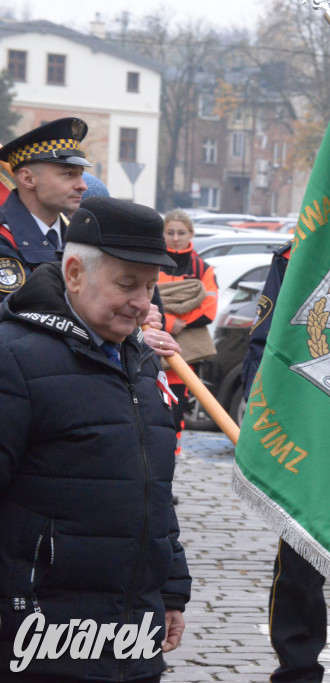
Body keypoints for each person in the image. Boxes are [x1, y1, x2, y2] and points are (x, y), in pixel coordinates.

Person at [0, 195, 191, 679]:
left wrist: (170, 589)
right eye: (127, 284)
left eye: (150, 287)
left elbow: (154, 490)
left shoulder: (143, 364)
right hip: (39, 637)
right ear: (75, 273)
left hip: (132, 637)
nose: (143, 303)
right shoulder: (14, 358)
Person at [239, 241, 330, 683]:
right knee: (299, 564)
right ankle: (297, 669)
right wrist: (260, 409)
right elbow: (264, 342)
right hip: (307, 424)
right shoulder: (297, 255)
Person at [0, 117, 90, 302]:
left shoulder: (82, 237)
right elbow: (23, 310)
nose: (82, 186)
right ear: (28, 179)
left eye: (81, 175)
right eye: (68, 174)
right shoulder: (4, 238)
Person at [158, 209, 218, 453]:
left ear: (191, 234)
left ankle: (169, 470)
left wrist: (174, 318)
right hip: (149, 352)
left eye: (181, 233)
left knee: (174, 416)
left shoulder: (202, 268)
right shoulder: (153, 261)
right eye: (170, 232)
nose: (175, 238)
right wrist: (171, 322)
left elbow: (209, 309)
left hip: (182, 358)